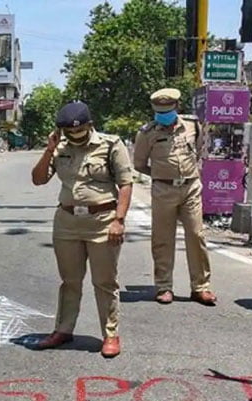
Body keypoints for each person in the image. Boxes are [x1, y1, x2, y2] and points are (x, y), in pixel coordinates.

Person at [30, 101, 134, 357]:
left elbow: (126, 183)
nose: (74, 135)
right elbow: (38, 179)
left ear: (89, 125)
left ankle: (110, 334)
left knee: (105, 281)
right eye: (69, 132)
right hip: (67, 222)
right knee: (70, 281)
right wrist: (49, 149)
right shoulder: (60, 146)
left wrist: (118, 220)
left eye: (79, 130)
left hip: (102, 221)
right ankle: (63, 329)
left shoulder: (110, 144)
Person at [133, 88, 217, 306]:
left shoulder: (192, 125)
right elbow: (139, 164)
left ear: (176, 108)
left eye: (167, 111)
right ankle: (164, 286)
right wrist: (162, 176)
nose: (164, 116)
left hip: (190, 187)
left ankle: (200, 287)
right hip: (163, 189)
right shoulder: (147, 132)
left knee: (196, 235)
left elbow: (198, 150)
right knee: (162, 239)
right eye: (159, 112)